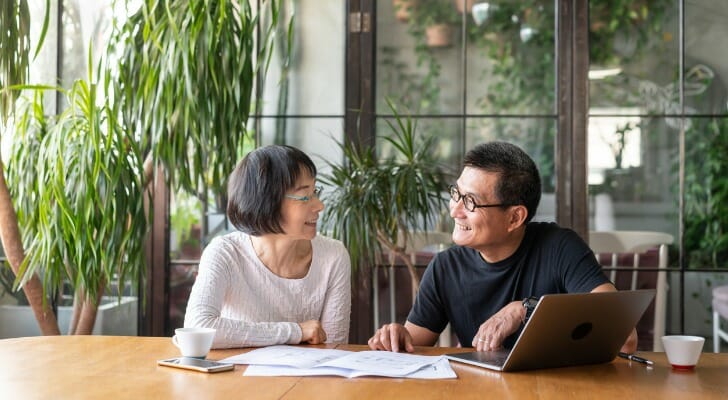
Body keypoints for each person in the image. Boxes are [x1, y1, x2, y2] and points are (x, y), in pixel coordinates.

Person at [368, 141, 638, 353]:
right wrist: (396, 338)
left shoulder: (559, 247)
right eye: (456, 194)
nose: (455, 211)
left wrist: (527, 309)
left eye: (470, 202)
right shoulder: (446, 267)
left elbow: (624, 337)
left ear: (514, 217)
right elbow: (414, 345)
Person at [185, 145, 351, 348]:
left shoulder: (333, 256)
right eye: (305, 195)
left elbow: (334, 348)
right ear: (267, 201)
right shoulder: (225, 253)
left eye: (315, 191)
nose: (319, 205)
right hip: (234, 377)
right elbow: (198, 327)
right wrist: (294, 331)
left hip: (305, 379)